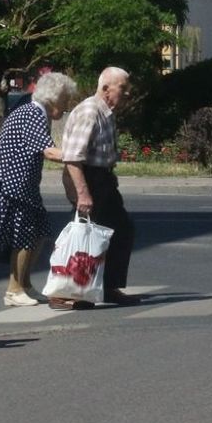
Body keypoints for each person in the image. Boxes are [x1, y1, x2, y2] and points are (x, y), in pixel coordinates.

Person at [0, 72, 78, 307]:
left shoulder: (34, 113)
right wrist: (80, 155)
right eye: (65, 99)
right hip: (10, 184)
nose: (66, 106)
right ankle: (14, 290)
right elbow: (48, 150)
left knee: (40, 231)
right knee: (24, 235)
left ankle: (24, 284)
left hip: (22, 185)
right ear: (53, 97)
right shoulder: (32, 113)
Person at [57, 66, 140, 309]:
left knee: (120, 229)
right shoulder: (90, 111)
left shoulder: (106, 112)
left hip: (103, 178)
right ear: (105, 89)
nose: (127, 94)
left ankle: (107, 287)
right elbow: (72, 157)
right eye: (122, 89)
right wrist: (83, 193)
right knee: (83, 236)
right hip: (86, 176)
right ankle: (68, 291)